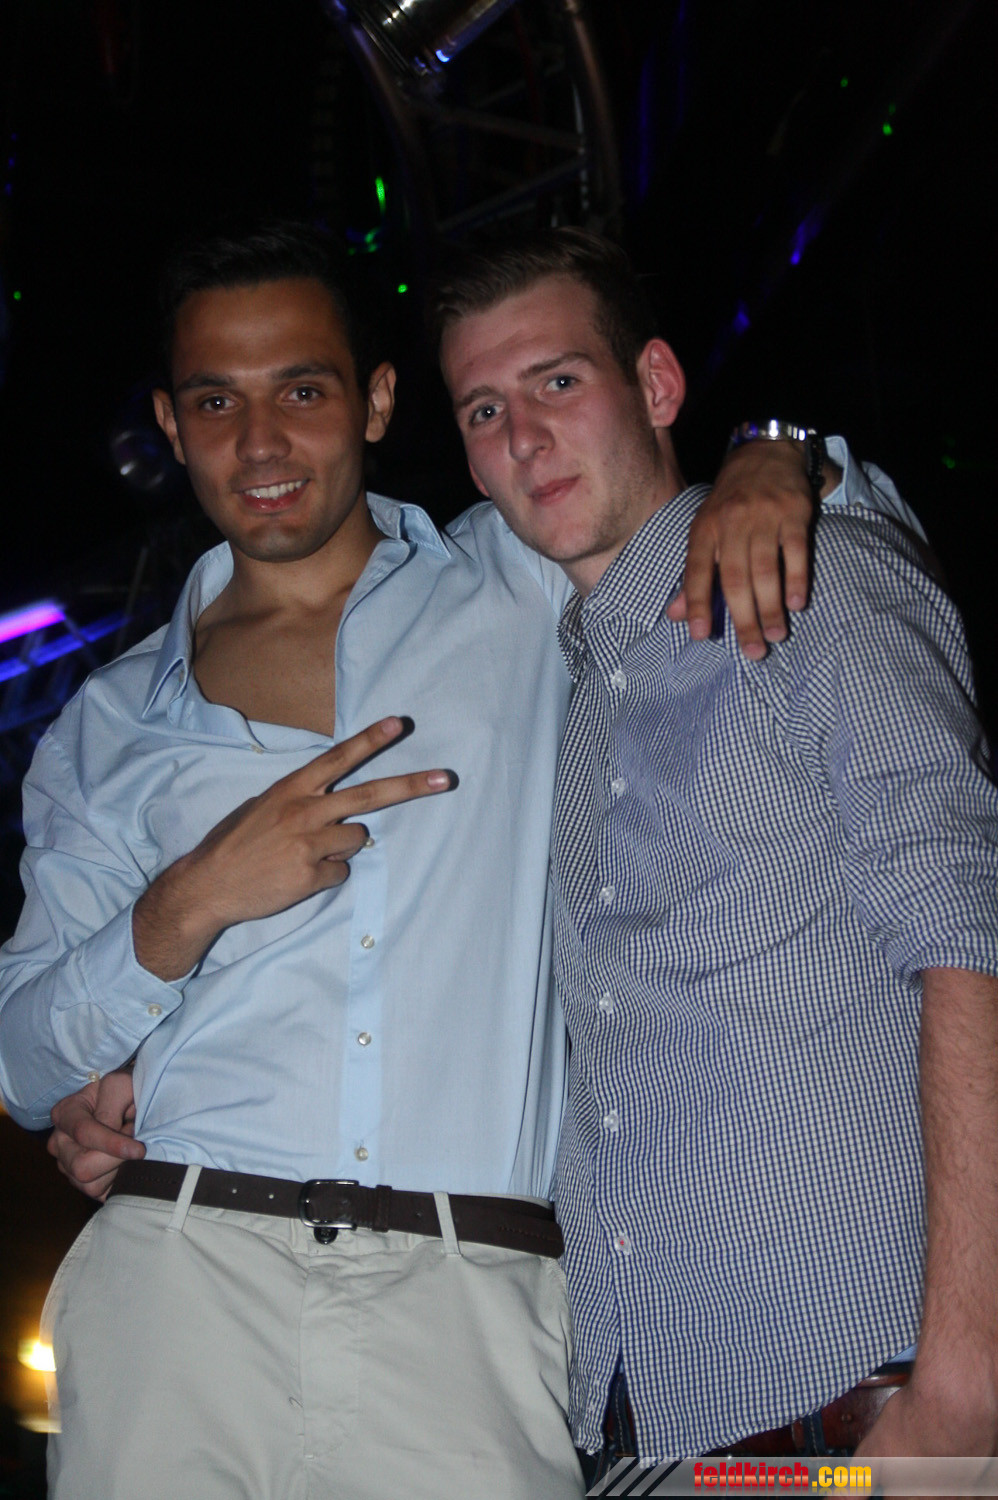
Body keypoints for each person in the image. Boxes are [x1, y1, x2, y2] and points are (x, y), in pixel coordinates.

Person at [0, 221, 869, 1499]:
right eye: (216, 402)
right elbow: (24, 1064)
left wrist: (776, 455)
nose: (260, 444)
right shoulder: (107, 725)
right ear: (171, 426)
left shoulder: (516, 584)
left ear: (375, 403)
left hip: (473, 1305)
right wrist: (184, 907)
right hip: (182, 1279)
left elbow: (735, 498)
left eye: (301, 391)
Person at [431, 228, 998, 1468]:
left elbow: (968, 938)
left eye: (556, 381)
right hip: (654, 1423)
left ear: (656, 385)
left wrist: (967, 1376)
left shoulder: (813, 581)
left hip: (865, 1393)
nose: (523, 438)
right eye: (482, 410)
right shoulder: (564, 701)